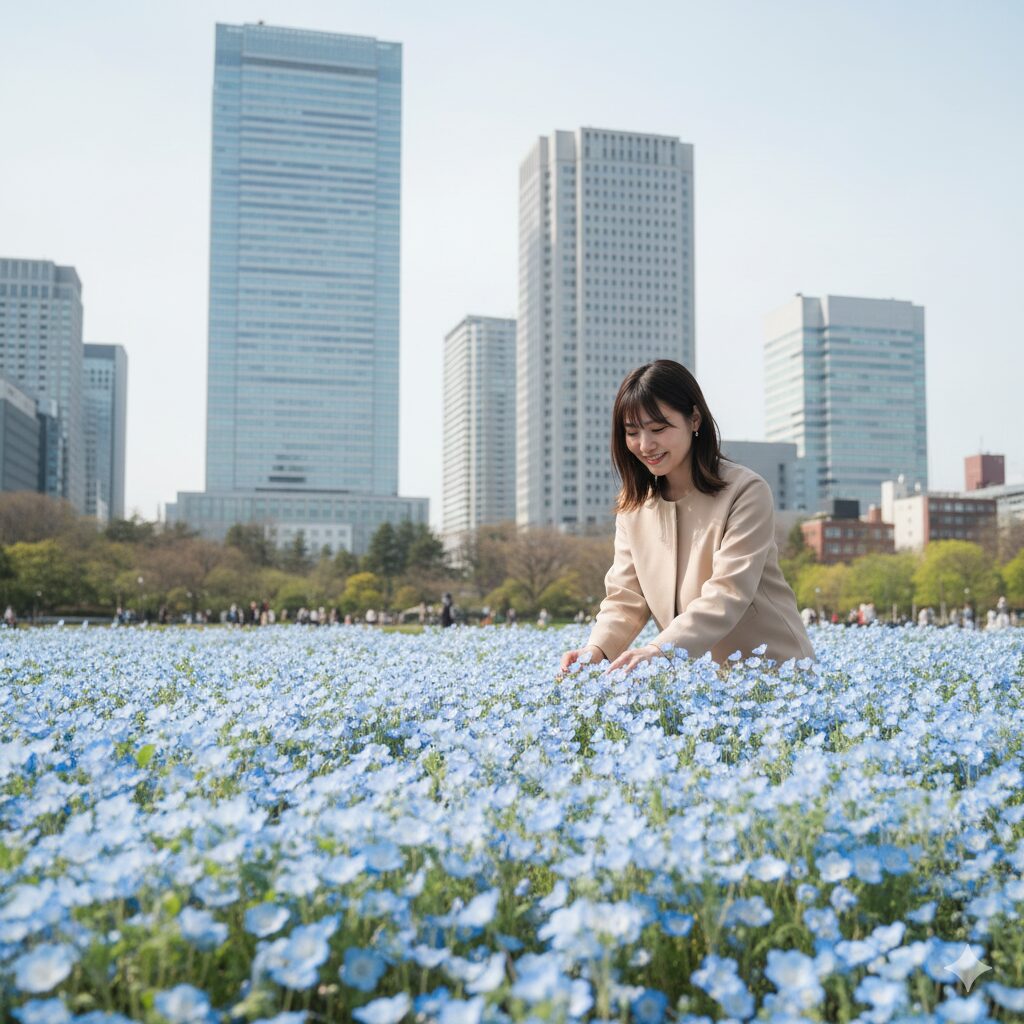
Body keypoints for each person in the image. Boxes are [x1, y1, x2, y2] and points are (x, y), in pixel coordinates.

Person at [559, 360, 815, 676]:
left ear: (694, 419)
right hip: (697, 683)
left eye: (658, 429)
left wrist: (660, 650)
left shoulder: (745, 491)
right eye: (632, 432)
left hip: (774, 674)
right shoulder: (634, 505)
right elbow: (626, 597)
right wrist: (596, 650)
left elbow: (729, 592)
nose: (645, 445)